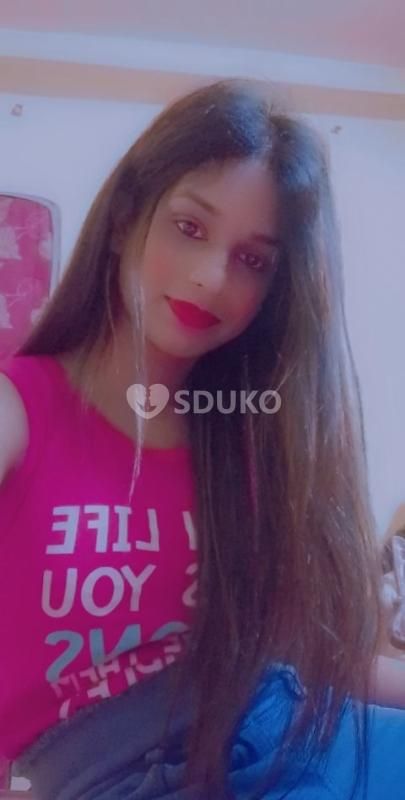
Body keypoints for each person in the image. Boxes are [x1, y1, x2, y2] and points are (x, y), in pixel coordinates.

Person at [0, 79, 404, 800]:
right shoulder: (19, 408)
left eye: (253, 260)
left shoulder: (246, 440)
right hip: (107, 772)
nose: (211, 277)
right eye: (189, 227)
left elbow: (307, 653)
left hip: (271, 730)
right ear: (126, 219)